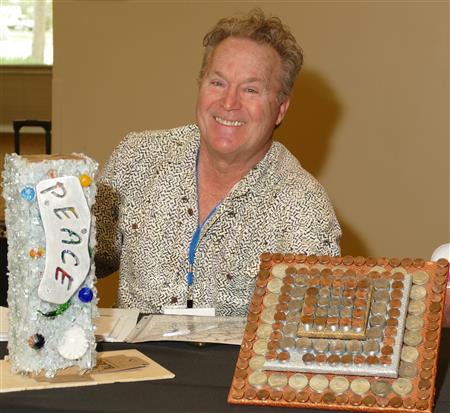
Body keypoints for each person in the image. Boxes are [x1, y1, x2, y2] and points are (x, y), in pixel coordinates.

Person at [93, 8, 341, 316]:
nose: (229, 103)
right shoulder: (137, 157)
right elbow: (83, 258)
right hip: (133, 347)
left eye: (251, 89)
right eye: (218, 83)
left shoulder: (303, 208)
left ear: (280, 109)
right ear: (200, 86)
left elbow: (306, 331)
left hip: (238, 351)